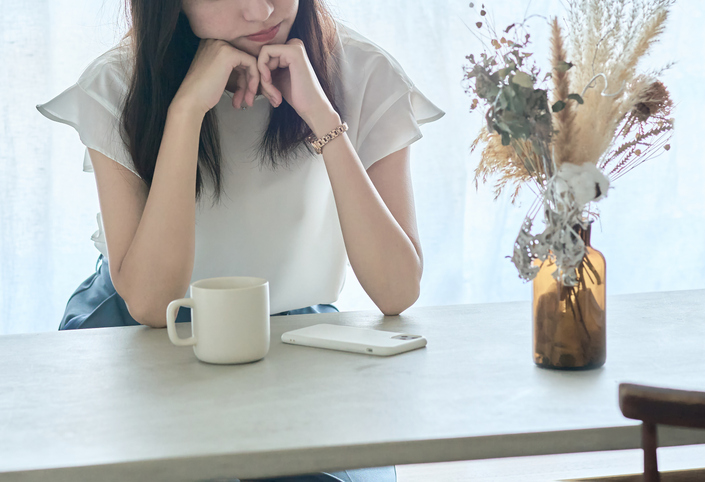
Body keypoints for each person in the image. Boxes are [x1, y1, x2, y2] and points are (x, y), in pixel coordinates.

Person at [37, 1, 443, 480]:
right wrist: (186, 110)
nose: (261, 9)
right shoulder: (119, 83)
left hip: (291, 338)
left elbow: (397, 291)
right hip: (143, 334)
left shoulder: (361, 70)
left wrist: (322, 118)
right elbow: (149, 302)